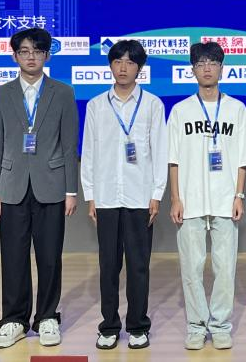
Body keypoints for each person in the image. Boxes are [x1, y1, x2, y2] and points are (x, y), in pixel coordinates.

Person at [0, 27, 79, 349]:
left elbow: (69, 145)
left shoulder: (63, 93)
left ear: (47, 56)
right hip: (11, 187)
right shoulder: (1, 94)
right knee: (13, 257)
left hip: (51, 186)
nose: (31, 57)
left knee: (50, 256)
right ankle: (14, 320)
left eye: (37, 51)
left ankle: (47, 317)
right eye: (24, 51)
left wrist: (71, 191)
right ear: (14, 56)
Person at [168, 41, 246, 350]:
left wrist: (239, 195)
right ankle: (195, 325)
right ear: (192, 70)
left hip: (225, 200)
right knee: (191, 269)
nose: (207, 68)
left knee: (225, 268)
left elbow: (243, 158)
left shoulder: (236, 109)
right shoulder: (180, 111)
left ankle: (219, 325)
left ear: (221, 68)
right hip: (190, 200)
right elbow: (173, 159)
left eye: (212, 63)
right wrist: (175, 198)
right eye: (201, 63)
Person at [81, 39, 167, 350]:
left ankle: (138, 325)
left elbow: (160, 151)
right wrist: (90, 194)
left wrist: (157, 193)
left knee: (139, 265)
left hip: (140, 196)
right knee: (108, 266)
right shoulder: (96, 105)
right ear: (110, 65)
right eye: (118, 61)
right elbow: (88, 152)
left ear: (139, 68)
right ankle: (108, 326)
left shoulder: (153, 105)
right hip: (106, 196)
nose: (123, 68)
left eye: (130, 62)